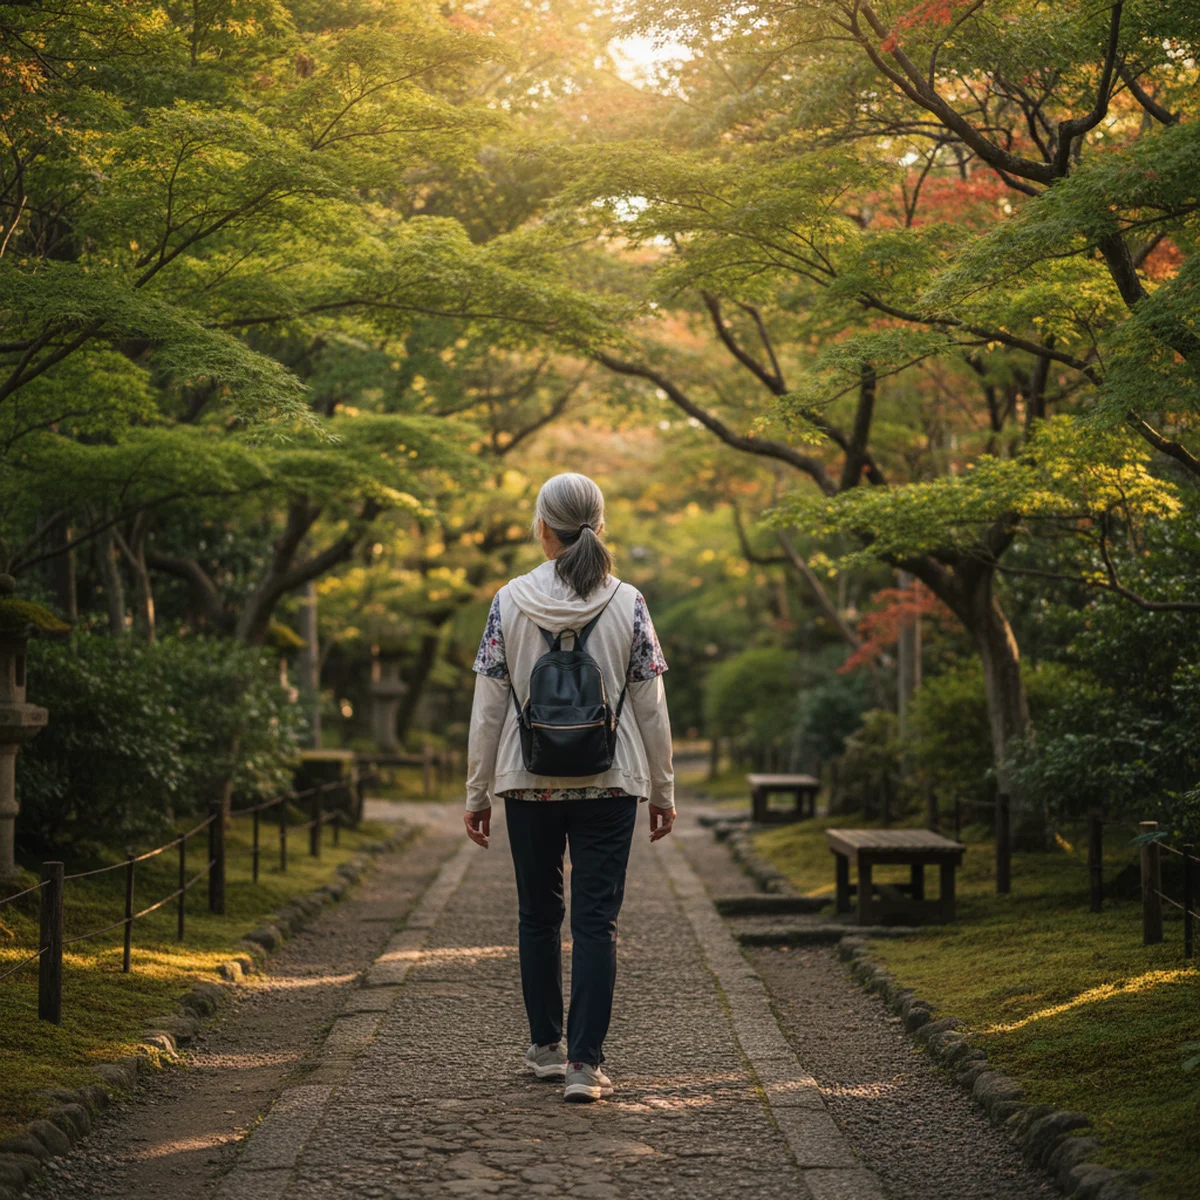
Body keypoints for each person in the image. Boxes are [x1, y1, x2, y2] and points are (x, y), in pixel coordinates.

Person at [464, 472, 675, 1103]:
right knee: (595, 922)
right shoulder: (628, 601)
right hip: (610, 781)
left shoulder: (508, 601)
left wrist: (477, 792)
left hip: (528, 782)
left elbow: (488, 707)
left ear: (542, 527)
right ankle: (586, 1064)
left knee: (537, 916)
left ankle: (546, 1048)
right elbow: (652, 705)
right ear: (599, 526)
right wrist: (662, 790)